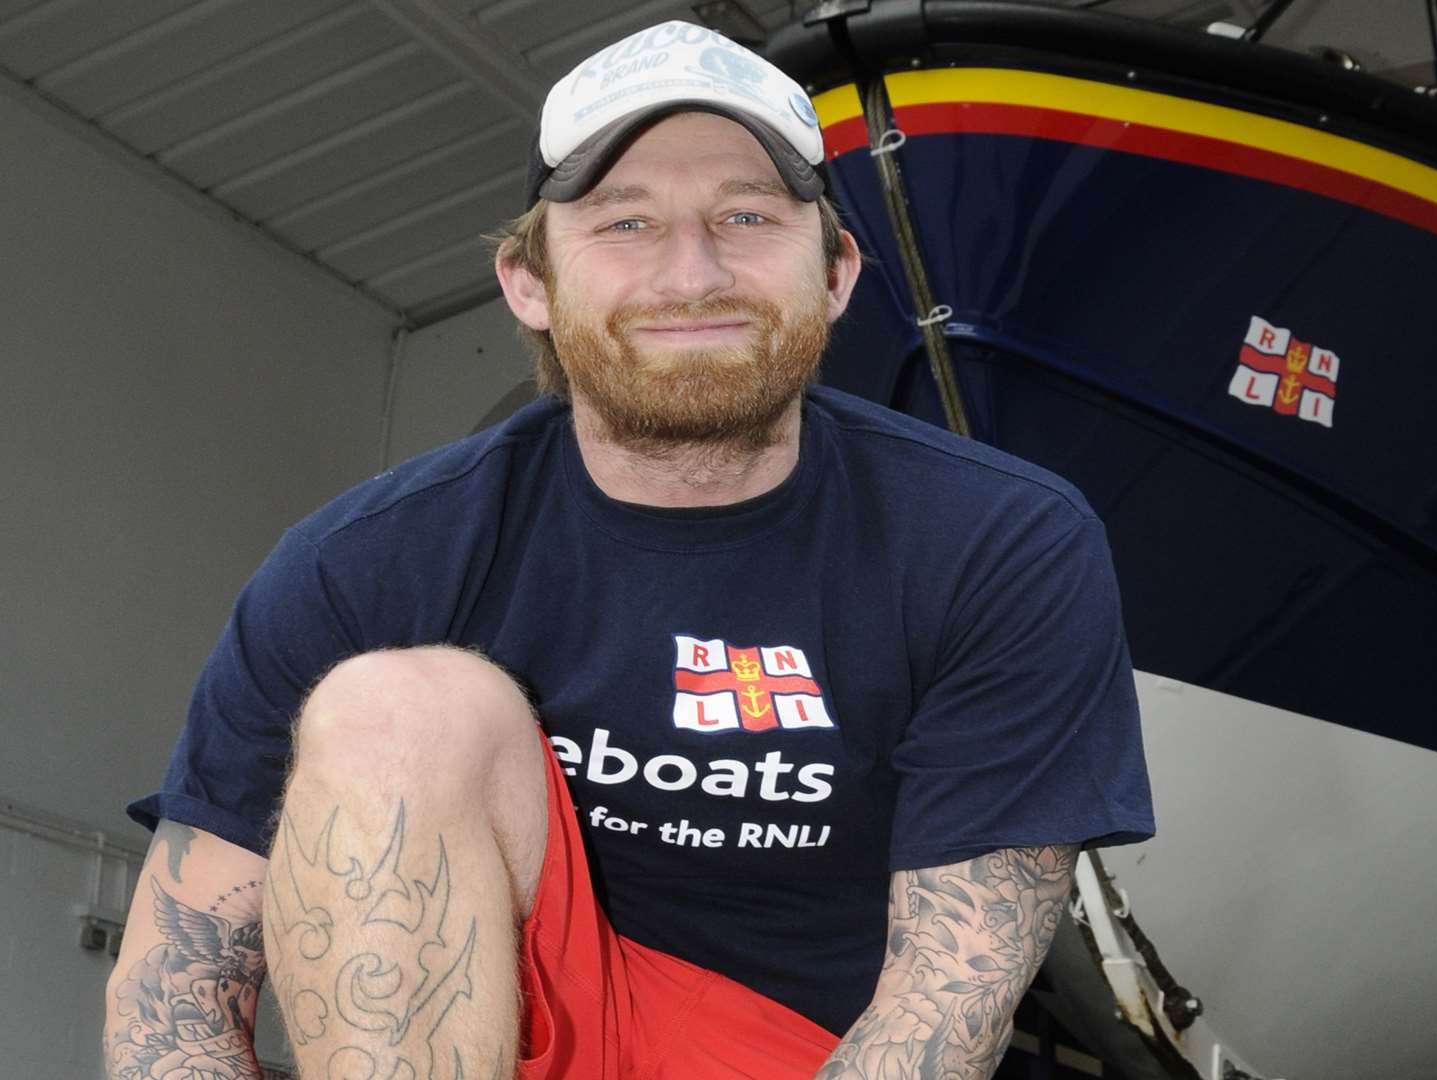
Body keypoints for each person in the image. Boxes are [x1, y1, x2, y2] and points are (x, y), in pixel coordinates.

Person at [103, 19, 1153, 1080]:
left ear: (836, 272)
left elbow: (945, 999)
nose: (691, 274)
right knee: (394, 711)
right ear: (529, 284)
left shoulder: (998, 541)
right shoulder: (368, 563)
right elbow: (173, 990)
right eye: (624, 223)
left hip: (810, 1052)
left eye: (746, 215)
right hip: (498, 1041)